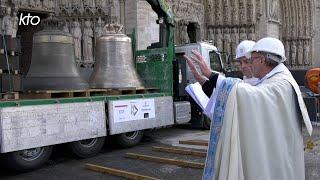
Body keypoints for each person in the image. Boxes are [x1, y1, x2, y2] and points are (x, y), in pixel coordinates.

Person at [184, 37, 312, 180]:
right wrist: (205, 82)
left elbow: (250, 97)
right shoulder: (271, 81)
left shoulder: (280, 84)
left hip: (275, 155)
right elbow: (237, 103)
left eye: (251, 60)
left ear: (262, 60)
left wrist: (210, 75)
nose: (248, 64)